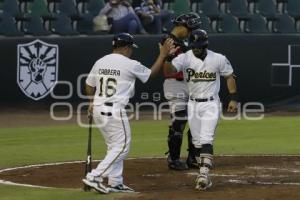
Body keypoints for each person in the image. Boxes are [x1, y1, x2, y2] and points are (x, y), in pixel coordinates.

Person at [82, 33, 174, 194]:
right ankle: (95, 176)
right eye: (130, 47)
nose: (131, 50)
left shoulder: (101, 61)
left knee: (113, 146)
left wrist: (90, 101)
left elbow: (89, 84)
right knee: (122, 146)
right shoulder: (130, 64)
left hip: (98, 108)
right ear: (125, 47)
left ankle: (115, 182)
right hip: (114, 109)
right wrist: (162, 55)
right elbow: (151, 74)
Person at [165, 29, 238, 190]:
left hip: (211, 104)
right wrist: (168, 57)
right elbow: (169, 71)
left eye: (199, 46)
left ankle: (203, 174)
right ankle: (203, 171)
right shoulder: (184, 57)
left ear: (205, 44)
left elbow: (229, 76)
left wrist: (233, 98)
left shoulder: (218, 58)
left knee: (206, 138)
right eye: (194, 46)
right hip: (192, 104)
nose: (196, 49)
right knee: (197, 142)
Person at [162, 13, 202, 171]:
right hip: (175, 83)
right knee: (179, 121)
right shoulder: (167, 40)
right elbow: (168, 66)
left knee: (195, 120)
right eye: (189, 28)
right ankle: (173, 158)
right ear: (181, 26)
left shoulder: (187, 41)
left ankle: (193, 157)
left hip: (190, 82)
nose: (191, 31)